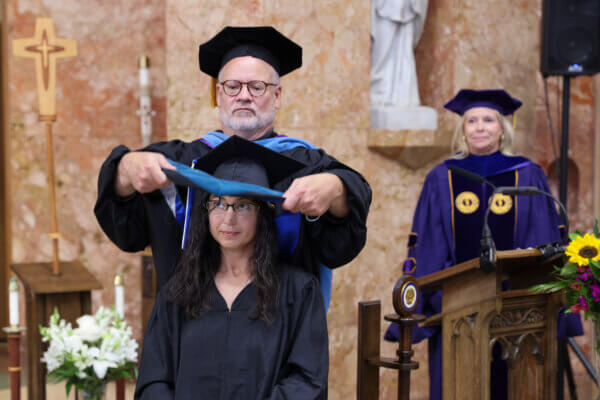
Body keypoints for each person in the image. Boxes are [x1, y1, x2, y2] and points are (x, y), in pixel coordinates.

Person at [94, 27, 371, 309]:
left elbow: (343, 237)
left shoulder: (306, 164)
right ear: (219, 94)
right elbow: (127, 230)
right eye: (233, 86)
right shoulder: (181, 160)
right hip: (191, 334)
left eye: (257, 87)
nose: (243, 95)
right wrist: (125, 169)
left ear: (277, 96)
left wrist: (336, 189)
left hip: (284, 336)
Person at [384, 89, 583, 400]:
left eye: (488, 120)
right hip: (457, 310)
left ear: (502, 128)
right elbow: (428, 243)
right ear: (462, 130)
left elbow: (544, 235)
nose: (479, 127)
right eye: (472, 120)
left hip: (519, 313)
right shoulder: (442, 178)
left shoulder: (526, 174)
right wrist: (422, 305)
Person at [134, 136, 328, 399]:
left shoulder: (298, 291)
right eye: (218, 203)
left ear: (263, 213)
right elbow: (154, 380)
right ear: (206, 211)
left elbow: (306, 380)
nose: (228, 218)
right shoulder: (178, 292)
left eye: (243, 205)